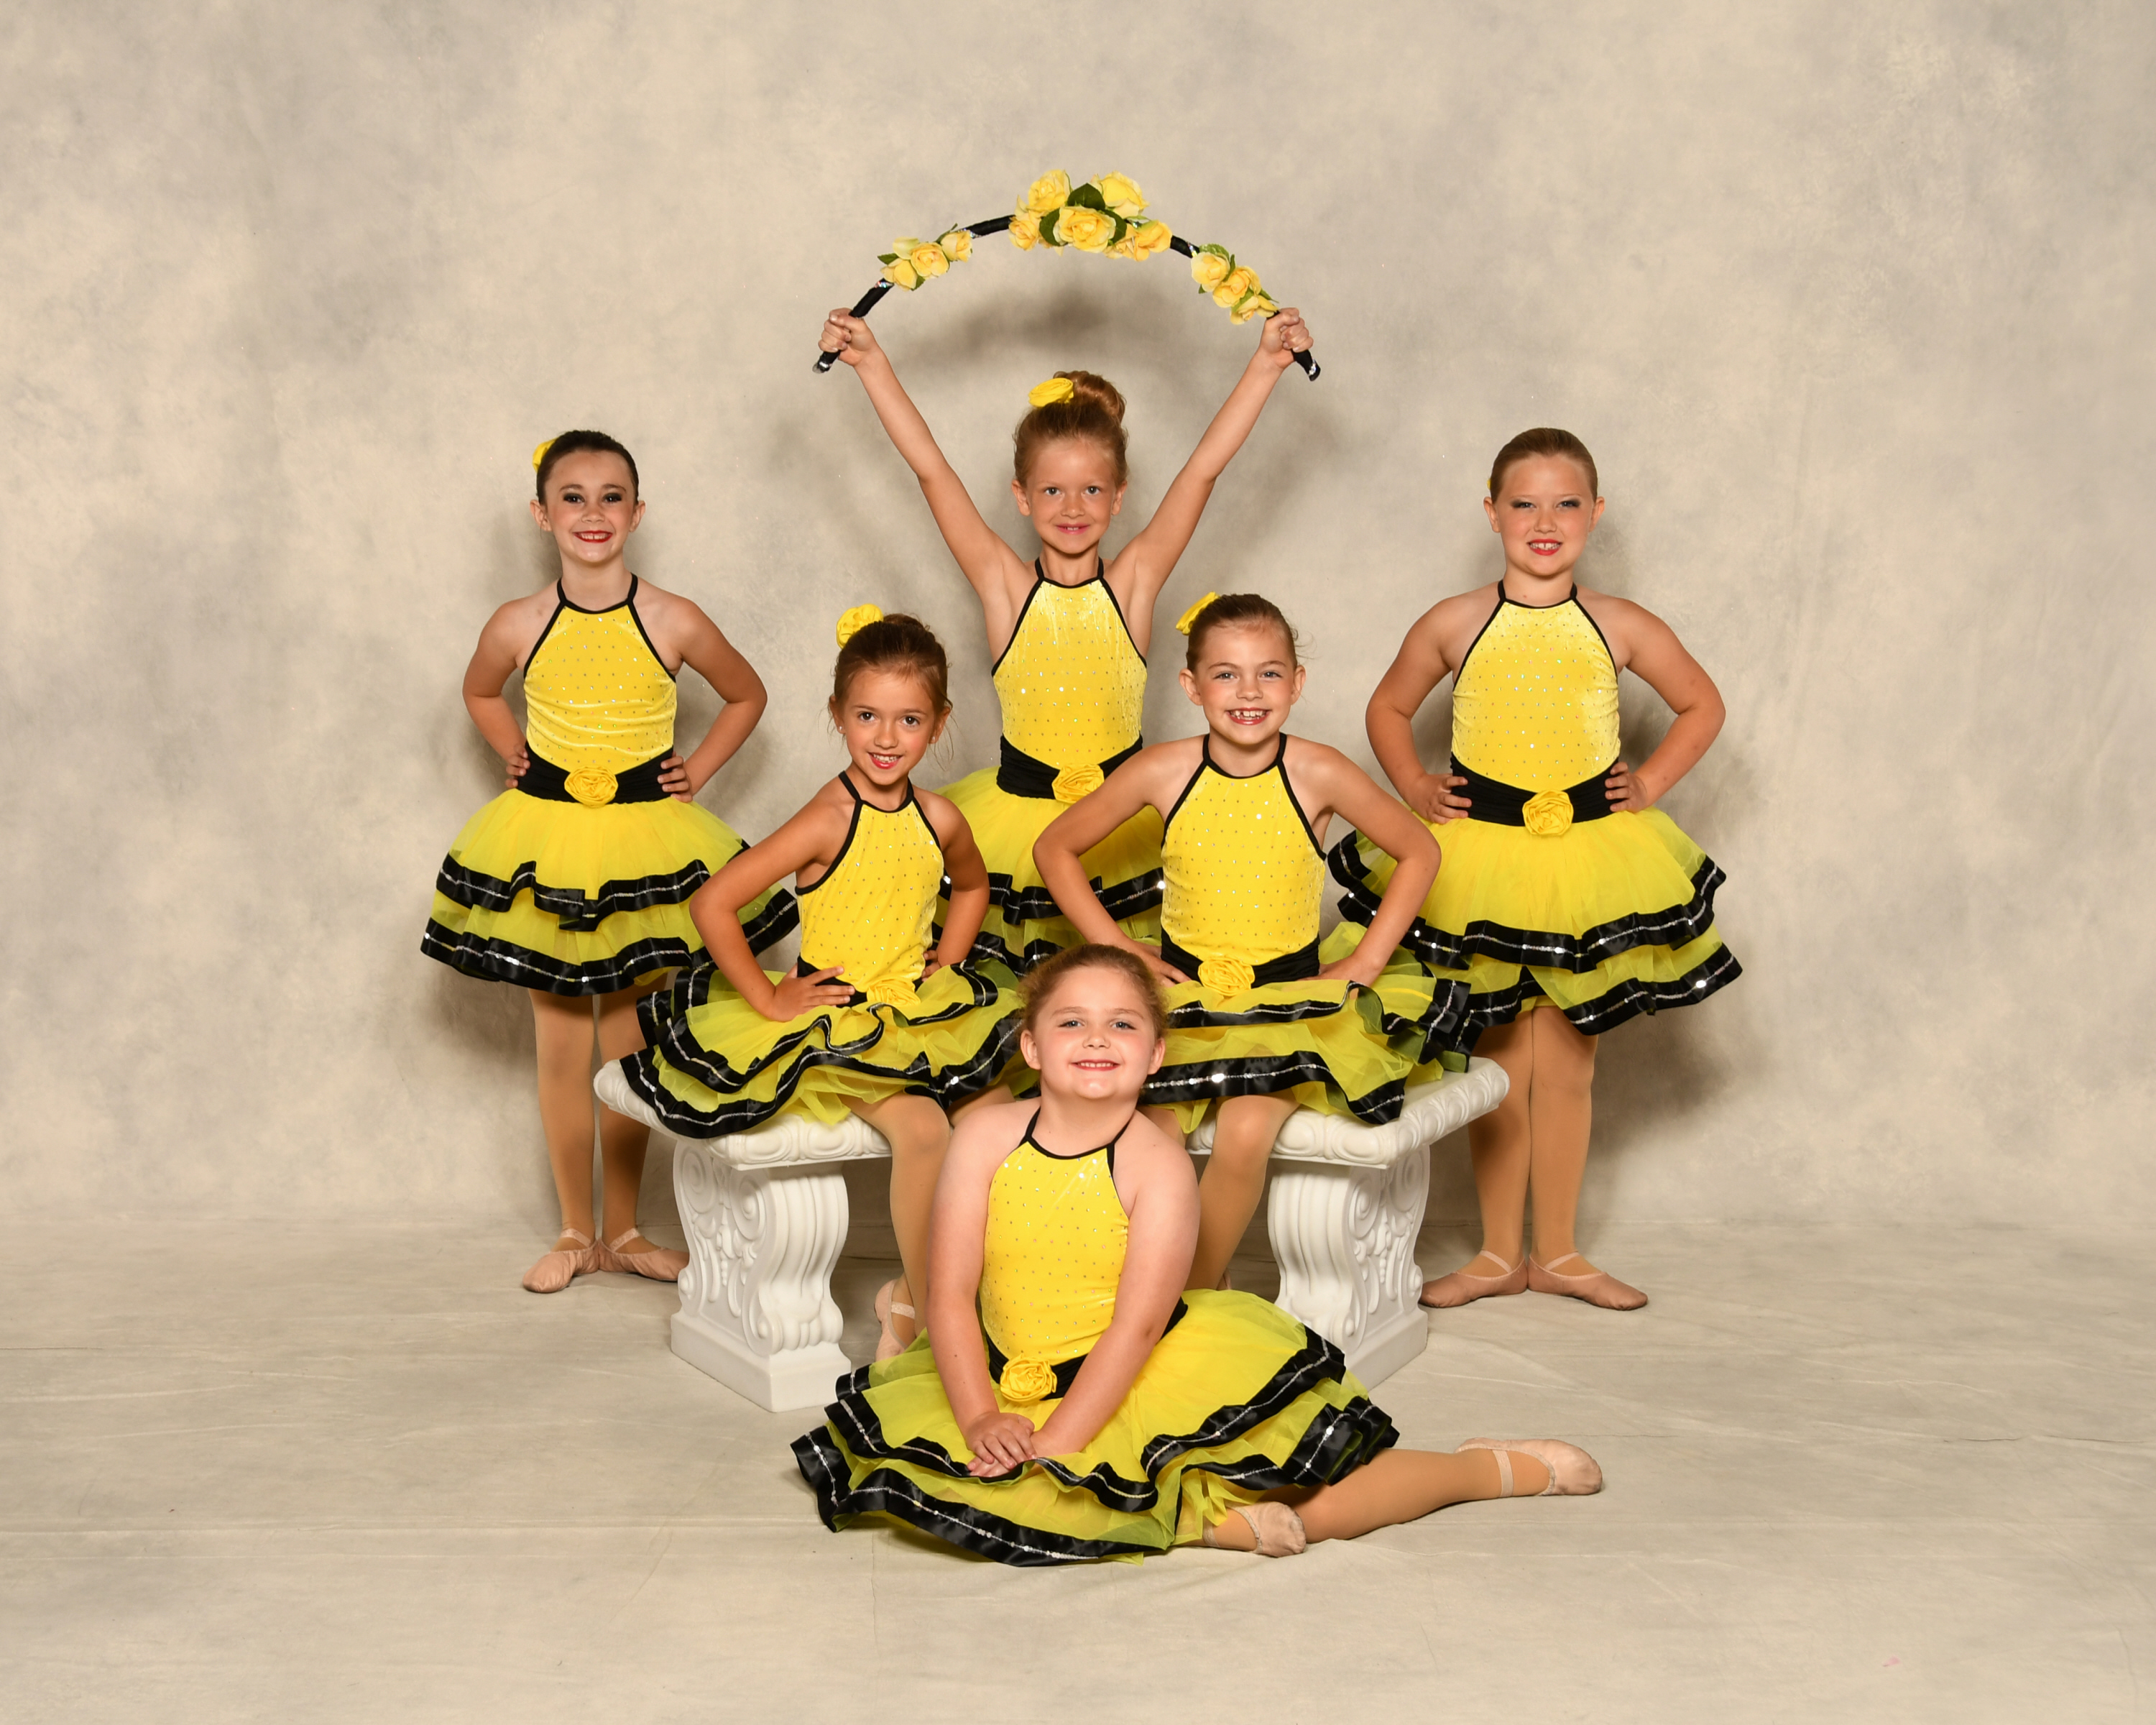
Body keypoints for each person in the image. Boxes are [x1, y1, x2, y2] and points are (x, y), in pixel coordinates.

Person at [793, 944, 1600, 1565]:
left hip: (1130, 1370)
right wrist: (978, 1417)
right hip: (1004, 1365)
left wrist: (1061, 1442)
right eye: (1071, 1022)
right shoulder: (984, 1138)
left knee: (1316, 1502)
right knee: (976, 1497)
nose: (1097, 1037)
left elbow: (1136, 1328)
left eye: (1123, 1024)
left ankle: (1487, 1469)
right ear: (1031, 1048)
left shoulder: (1156, 1165)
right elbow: (950, 1292)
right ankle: (1210, 1525)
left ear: (1154, 1055)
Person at [1337, 428, 1739, 1311]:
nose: (1544, 521)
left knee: (1567, 1063)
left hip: (1586, 866)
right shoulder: (1455, 622)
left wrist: (1651, 782)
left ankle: (1557, 1252)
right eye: (1524, 503)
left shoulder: (1620, 624)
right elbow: (1389, 707)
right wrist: (1414, 784)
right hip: (1481, 863)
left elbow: (1702, 704)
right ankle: (1494, 1254)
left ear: (1596, 513)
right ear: (1492, 513)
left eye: (1566, 504)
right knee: (1498, 1065)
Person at [816, 303, 1314, 972]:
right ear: (1022, 497)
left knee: (1133, 990)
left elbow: (1202, 471)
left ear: (1119, 497)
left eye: (1091, 491)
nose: (1072, 508)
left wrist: (1267, 364)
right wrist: (870, 362)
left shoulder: (1133, 584)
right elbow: (932, 470)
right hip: (1017, 826)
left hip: (1122, 826)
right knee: (1018, 995)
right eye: (1052, 491)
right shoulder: (1005, 586)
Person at [423, 431, 792, 1294]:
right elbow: (478, 689)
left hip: (643, 845)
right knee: (560, 1038)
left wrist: (697, 770)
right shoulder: (518, 622)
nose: (593, 513)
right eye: (574, 497)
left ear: (638, 511)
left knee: (627, 1038)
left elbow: (747, 694)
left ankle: (624, 1231)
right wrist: (513, 751)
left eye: (611, 496)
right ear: (541, 513)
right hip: (546, 842)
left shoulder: (672, 617)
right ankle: (572, 1230)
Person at [599, 610, 1020, 1358]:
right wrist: (768, 998)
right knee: (925, 1130)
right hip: (845, 1021)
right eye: (867, 716)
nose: (886, 738)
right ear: (837, 714)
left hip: (921, 1011)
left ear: (939, 722)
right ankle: (932, 1323)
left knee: (1002, 1119)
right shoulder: (829, 816)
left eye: (909, 720)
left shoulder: (941, 817)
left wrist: (950, 959)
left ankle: (927, 1292)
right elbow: (714, 903)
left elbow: (974, 886)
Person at [1034, 594, 1457, 1291]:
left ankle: (1191, 1294)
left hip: (1289, 1005)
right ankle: (1141, 1278)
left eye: (1269, 673)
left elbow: (1420, 850)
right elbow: (1055, 848)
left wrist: (1365, 961)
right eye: (1226, 674)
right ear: (1191, 686)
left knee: (1246, 1130)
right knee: (1147, 1132)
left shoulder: (1319, 770)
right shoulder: (1164, 770)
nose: (1249, 692)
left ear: (1297, 682)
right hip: (1186, 1004)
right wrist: (1117, 949)